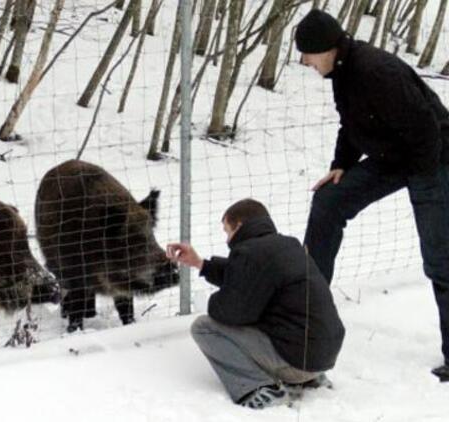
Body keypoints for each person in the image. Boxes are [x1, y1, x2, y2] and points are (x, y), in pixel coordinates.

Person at [296, 9, 449, 382]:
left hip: (434, 159)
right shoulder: (342, 73)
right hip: (394, 157)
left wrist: (425, 185)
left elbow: (426, 129)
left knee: (440, 260)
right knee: (328, 202)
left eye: (307, 54)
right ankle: (305, 309)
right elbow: (351, 124)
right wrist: (341, 164)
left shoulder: (376, 71)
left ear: (326, 48)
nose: (304, 62)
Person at [167, 199, 345, 409]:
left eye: (227, 231)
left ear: (240, 225)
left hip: (297, 360)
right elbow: (245, 276)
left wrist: (214, 300)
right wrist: (201, 264)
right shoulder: (287, 246)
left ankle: (257, 389)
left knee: (204, 327)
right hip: (322, 355)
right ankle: (308, 379)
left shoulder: (250, 253)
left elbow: (230, 312)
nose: (227, 240)